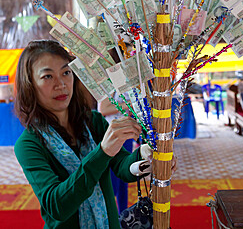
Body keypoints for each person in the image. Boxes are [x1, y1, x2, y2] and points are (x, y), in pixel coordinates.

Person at [14, 39, 149, 229]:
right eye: (47, 77)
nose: (61, 84)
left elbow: (122, 167)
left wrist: (146, 157)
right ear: (30, 84)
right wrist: (102, 152)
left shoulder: (93, 121)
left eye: (66, 72)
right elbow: (57, 205)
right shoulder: (29, 144)